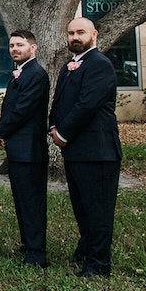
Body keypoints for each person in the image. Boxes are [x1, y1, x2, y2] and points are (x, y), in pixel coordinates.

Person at [49, 17, 122, 277]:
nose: (75, 37)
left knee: (98, 209)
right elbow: (58, 102)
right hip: (76, 152)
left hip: (98, 151)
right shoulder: (69, 66)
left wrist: (64, 133)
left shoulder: (100, 65)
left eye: (80, 32)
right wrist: (53, 126)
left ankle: (99, 264)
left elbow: (87, 105)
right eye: (71, 33)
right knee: (81, 206)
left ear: (94, 34)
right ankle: (86, 248)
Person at [0, 30, 50, 269]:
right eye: (11, 45)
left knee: (32, 201)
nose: (14, 49)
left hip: (30, 150)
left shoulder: (36, 74)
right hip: (18, 149)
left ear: (33, 48)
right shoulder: (19, 73)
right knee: (22, 199)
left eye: (20, 45)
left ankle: (37, 253)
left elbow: (22, 110)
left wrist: (0, 131)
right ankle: (28, 243)